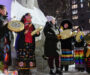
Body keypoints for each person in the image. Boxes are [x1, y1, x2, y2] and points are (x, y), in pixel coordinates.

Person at [0, 5, 12, 71]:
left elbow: (8, 29)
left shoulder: (6, 18)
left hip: (7, 40)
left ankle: (5, 70)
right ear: (0, 10)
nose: (6, 11)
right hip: (1, 40)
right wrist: (6, 24)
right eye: (4, 9)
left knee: (6, 56)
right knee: (2, 56)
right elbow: (1, 28)